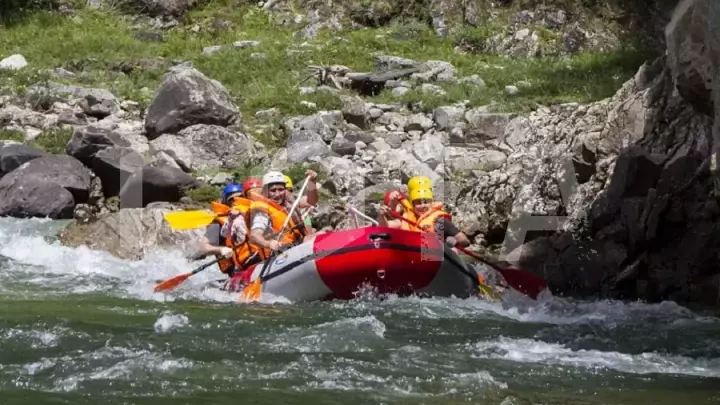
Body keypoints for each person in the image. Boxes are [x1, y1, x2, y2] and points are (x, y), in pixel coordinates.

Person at [247, 170, 318, 259]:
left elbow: (311, 201)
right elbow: (254, 236)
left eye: (281, 189)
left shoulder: (287, 203)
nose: (277, 194)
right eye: (273, 190)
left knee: (326, 230)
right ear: (265, 191)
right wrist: (268, 243)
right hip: (280, 252)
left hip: (295, 244)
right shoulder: (262, 212)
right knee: (320, 234)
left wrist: (312, 182)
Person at [379, 185, 470, 248]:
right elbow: (385, 227)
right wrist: (381, 215)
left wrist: (455, 241)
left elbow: (465, 241)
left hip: (434, 260)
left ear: (431, 203)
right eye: (418, 203)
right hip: (413, 259)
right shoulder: (407, 218)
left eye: (426, 202)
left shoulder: (439, 222)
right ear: (413, 205)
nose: (423, 206)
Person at [196, 183, 257, 277]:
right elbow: (203, 248)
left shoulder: (253, 214)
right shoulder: (219, 223)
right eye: (232, 199)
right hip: (238, 270)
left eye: (240, 197)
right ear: (225, 202)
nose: (236, 202)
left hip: (259, 260)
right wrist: (221, 249)